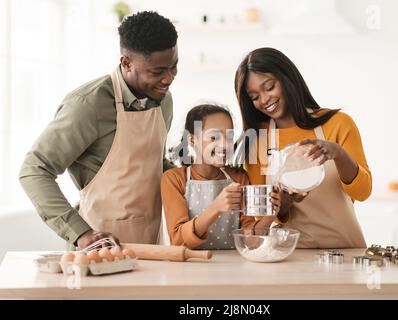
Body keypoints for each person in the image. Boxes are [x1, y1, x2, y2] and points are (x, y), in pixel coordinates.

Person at [19, 11, 178, 249]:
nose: (168, 78)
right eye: (157, 72)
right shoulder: (89, 104)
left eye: (174, 67)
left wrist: (195, 181)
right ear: (126, 62)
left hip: (152, 245)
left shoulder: (163, 100)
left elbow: (154, 163)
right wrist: (81, 233)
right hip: (97, 249)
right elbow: (34, 170)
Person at [234, 47, 372, 248]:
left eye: (270, 86)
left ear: (287, 79)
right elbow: (259, 221)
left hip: (345, 252)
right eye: (254, 97)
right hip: (289, 256)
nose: (264, 100)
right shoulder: (258, 140)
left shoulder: (338, 124)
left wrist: (338, 153)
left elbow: (363, 192)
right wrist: (284, 204)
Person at [161, 104, 279, 249]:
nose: (224, 145)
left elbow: (250, 242)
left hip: (233, 267)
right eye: (214, 137)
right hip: (191, 266)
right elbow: (178, 240)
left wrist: (272, 214)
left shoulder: (239, 178)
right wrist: (216, 207)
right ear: (192, 140)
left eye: (229, 137)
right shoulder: (174, 180)